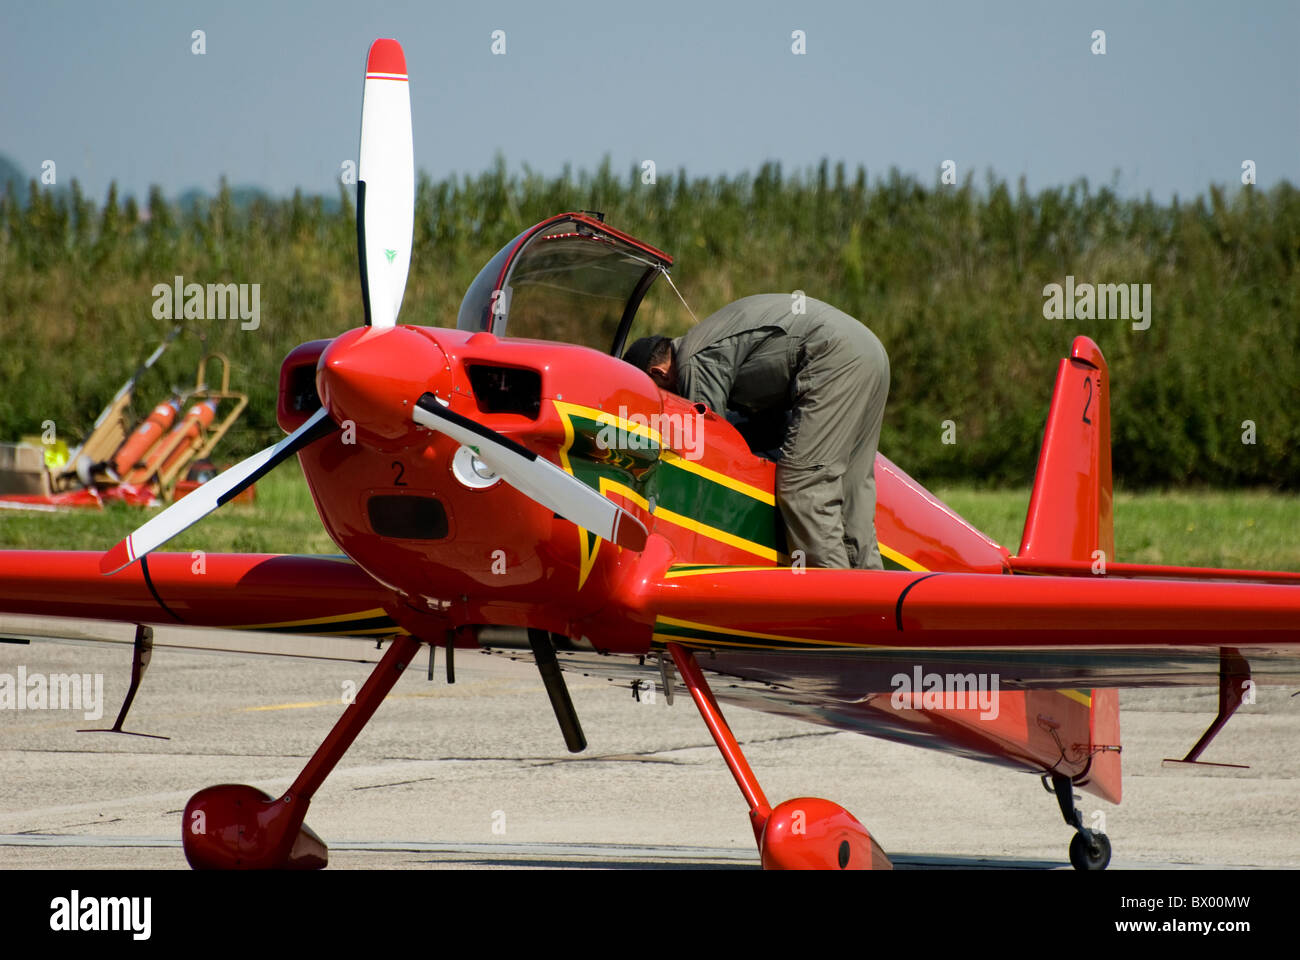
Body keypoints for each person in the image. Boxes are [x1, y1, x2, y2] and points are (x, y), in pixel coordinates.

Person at [623, 293, 889, 570]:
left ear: (659, 372)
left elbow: (708, 451)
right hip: (867, 349)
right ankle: (877, 602)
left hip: (832, 355)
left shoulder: (693, 360)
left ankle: (840, 605)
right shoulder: (707, 340)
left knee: (804, 486)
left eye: (656, 393)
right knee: (852, 492)